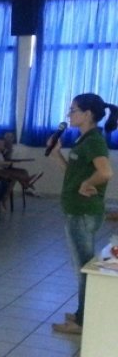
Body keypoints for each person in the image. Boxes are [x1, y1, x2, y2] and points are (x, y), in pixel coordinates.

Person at [50, 93, 117, 334]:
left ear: (87, 114)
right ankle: (82, 311)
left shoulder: (94, 141)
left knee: (83, 268)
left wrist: (87, 184)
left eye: (73, 110)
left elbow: (105, 172)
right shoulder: (84, 139)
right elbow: (72, 174)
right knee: (82, 265)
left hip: (83, 213)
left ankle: (81, 321)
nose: (69, 115)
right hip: (76, 210)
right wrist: (56, 153)